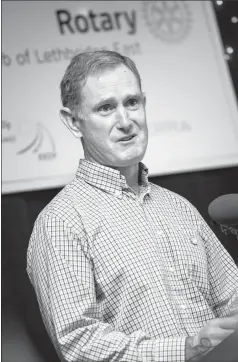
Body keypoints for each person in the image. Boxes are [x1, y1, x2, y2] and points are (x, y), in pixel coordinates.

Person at [27, 50, 238, 362]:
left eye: (132, 102)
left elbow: (231, 301)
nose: (125, 121)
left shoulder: (179, 208)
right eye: (105, 108)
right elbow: (78, 343)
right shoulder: (61, 222)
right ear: (73, 122)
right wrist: (187, 348)